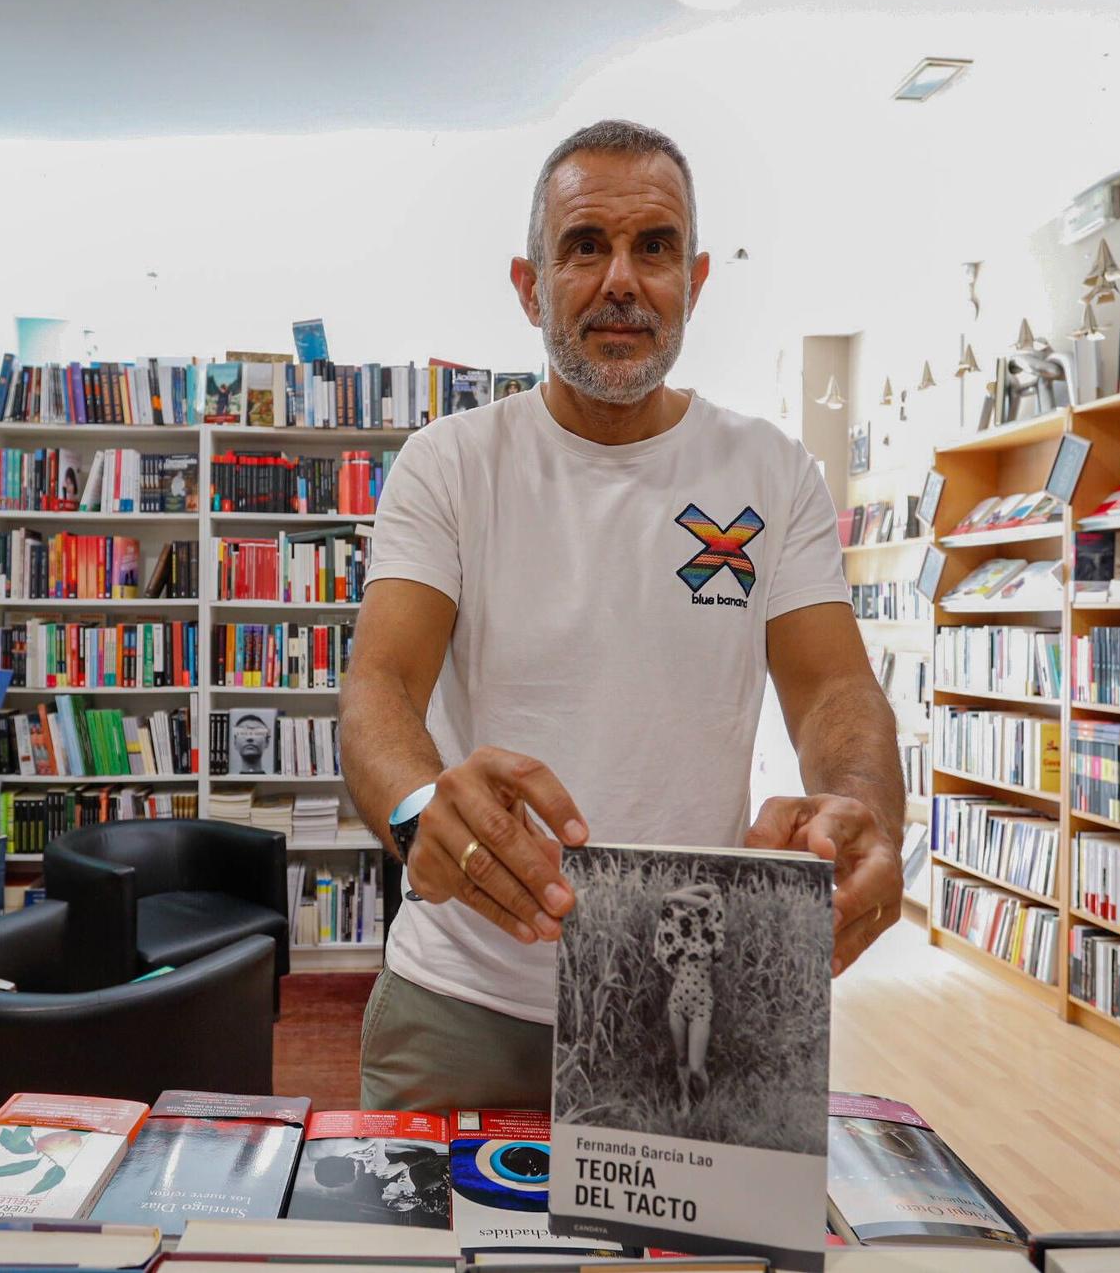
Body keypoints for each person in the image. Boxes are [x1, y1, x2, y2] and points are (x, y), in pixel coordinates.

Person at [342, 119, 903, 1110]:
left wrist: (859, 806)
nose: (620, 280)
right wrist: (417, 804)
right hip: (461, 999)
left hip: (684, 999)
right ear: (527, 285)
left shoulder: (771, 471)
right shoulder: (449, 463)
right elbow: (380, 687)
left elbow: (833, 688)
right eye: (583, 245)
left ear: (692, 281)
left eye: (652, 248)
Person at [654, 881, 724, 1114]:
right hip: (677, 1002)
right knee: (681, 1059)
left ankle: (703, 1106)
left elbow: (707, 904)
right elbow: (667, 899)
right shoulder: (678, 933)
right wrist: (697, 888)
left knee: (696, 1067)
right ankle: (685, 1103)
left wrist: (698, 890)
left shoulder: (711, 932)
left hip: (701, 1003)